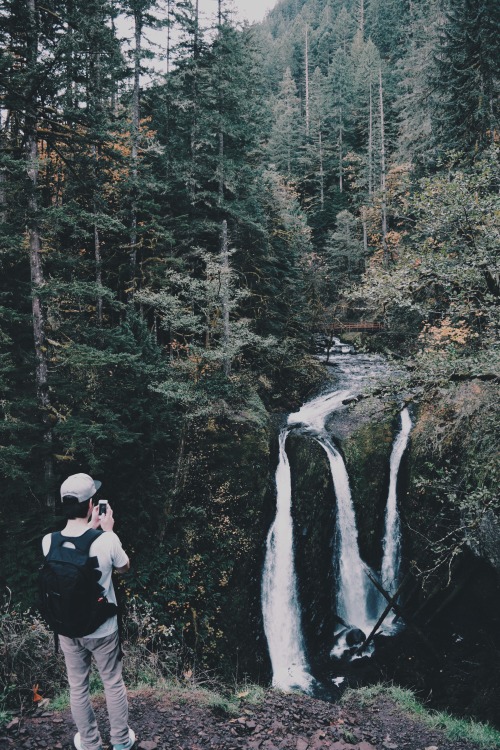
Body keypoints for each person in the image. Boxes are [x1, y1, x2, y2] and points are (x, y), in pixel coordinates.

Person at [42, 473, 135, 750]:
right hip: (102, 629)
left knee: (78, 687)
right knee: (112, 682)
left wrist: (90, 527)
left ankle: (90, 743)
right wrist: (106, 530)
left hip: (67, 629)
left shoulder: (49, 541)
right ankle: (120, 741)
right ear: (90, 504)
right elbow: (124, 567)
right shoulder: (106, 541)